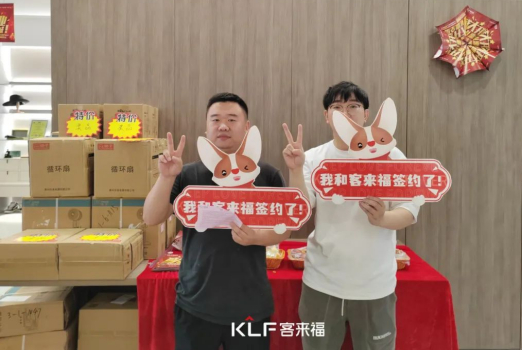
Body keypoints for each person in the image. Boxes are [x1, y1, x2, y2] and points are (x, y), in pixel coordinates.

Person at [144, 92, 290, 350]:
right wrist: (166, 177)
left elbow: (284, 230)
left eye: (232, 119)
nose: (223, 126)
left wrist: (257, 237)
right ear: (206, 127)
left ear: (247, 127)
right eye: (215, 120)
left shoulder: (267, 175)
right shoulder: (187, 173)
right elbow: (151, 217)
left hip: (250, 304)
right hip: (196, 302)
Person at [282, 81, 420, 350]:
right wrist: (296, 170)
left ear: (366, 114)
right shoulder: (313, 158)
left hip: (375, 286)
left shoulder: (392, 155)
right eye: (337, 107)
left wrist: (383, 219)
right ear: (327, 116)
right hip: (321, 282)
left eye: (353, 106)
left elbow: (409, 209)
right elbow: (301, 209)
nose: (345, 113)